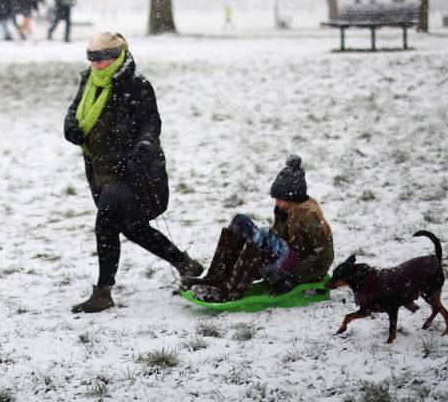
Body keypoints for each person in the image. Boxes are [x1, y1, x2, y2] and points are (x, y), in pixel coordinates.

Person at [63, 33, 202, 312]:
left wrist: (142, 148)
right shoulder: (89, 81)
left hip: (132, 172)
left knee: (106, 225)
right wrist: (70, 127)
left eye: (103, 60)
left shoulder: (137, 86)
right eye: (93, 60)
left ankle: (103, 292)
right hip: (100, 168)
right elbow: (74, 111)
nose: (98, 66)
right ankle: (185, 263)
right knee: (132, 227)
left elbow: (152, 123)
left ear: (118, 58)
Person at [189, 156, 334, 303]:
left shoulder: (312, 217)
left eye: (280, 199)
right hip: (284, 261)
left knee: (263, 236)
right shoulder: (287, 209)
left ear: (293, 198)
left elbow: (323, 258)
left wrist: (293, 279)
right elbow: (279, 239)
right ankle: (215, 279)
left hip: (298, 272)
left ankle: (229, 291)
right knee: (240, 221)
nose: (277, 203)